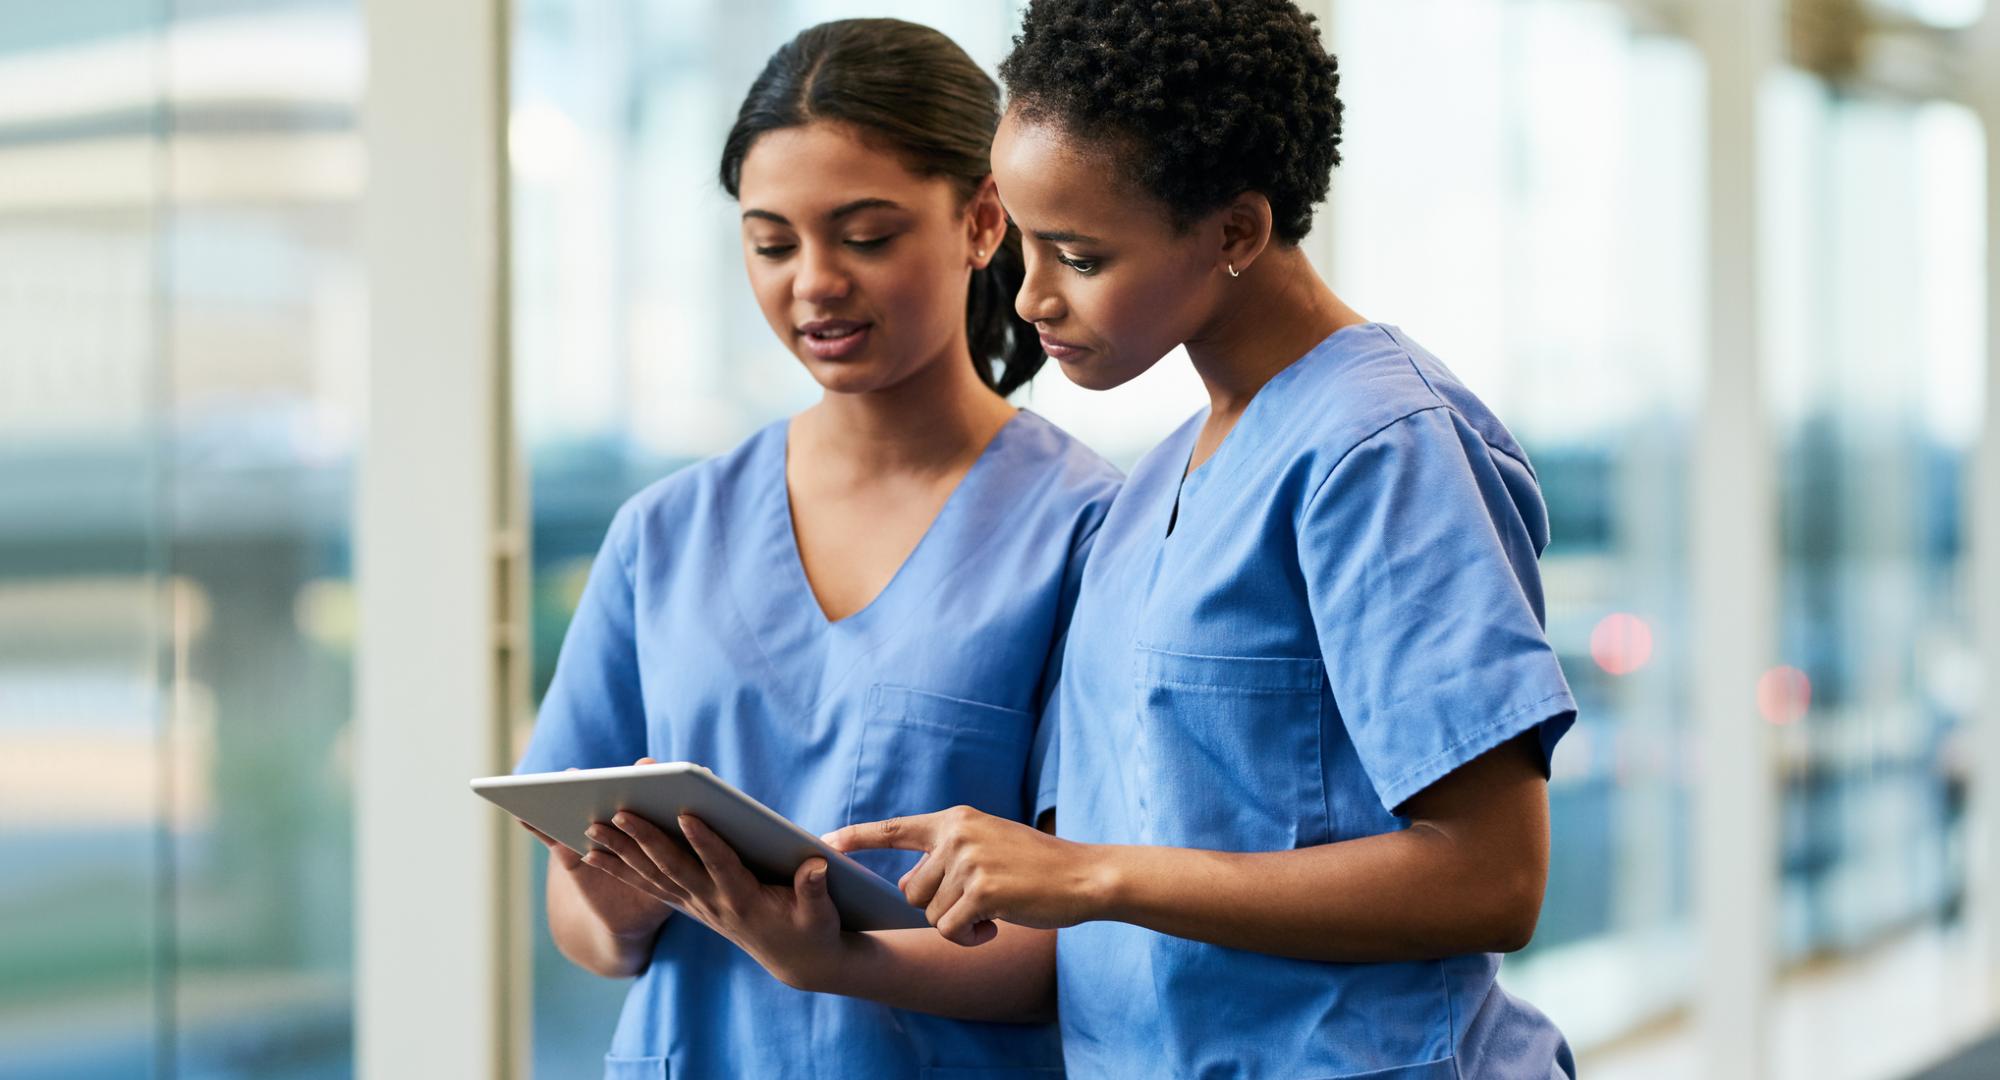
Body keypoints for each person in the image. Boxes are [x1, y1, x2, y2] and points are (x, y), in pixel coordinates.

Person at [829, 2, 1578, 1077]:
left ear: (1234, 231)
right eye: (1024, 240)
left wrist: (1091, 873)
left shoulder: (1380, 450)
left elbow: (1490, 880)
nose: (1031, 294)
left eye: (1078, 255)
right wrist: (826, 948)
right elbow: (1093, 944)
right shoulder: (1149, 495)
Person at [513, 18, 1119, 1079]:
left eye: (866, 235)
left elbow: (1091, 936)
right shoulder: (663, 535)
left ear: (981, 221)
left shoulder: (1084, 531)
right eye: (771, 242)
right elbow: (584, 928)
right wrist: (615, 906)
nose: (813, 284)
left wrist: (835, 960)